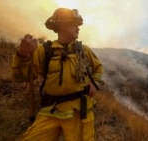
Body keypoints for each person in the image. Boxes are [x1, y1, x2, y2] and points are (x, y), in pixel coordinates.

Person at [11, 8, 103, 141]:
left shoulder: (84, 50)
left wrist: (94, 82)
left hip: (80, 111)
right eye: (74, 24)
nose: (78, 28)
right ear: (62, 26)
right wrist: (22, 55)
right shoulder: (44, 51)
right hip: (51, 111)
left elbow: (98, 68)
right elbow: (21, 77)